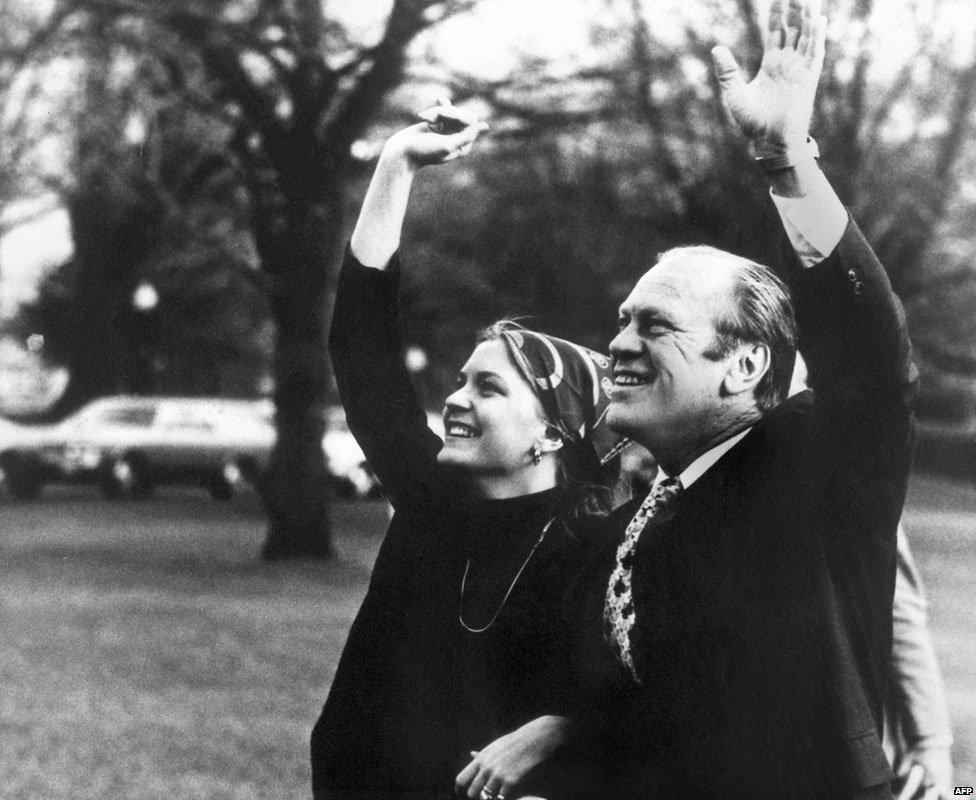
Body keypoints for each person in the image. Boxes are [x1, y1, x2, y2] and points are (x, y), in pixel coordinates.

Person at [566, 0, 919, 796]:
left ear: (745, 364)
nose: (619, 343)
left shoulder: (809, 460)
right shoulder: (648, 513)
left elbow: (871, 363)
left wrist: (786, 165)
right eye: (622, 321)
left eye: (654, 325)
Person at [309, 106, 619, 800]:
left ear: (553, 432)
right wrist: (395, 167)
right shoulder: (429, 495)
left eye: (488, 388)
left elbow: (639, 698)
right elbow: (363, 354)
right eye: (459, 380)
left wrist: (562, 727)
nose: (456, 398)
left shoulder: (596, 545)